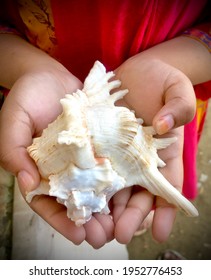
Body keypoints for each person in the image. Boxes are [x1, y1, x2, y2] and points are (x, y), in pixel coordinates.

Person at [0, 0, 210, 249]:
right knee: (156, 165)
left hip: (151, 95)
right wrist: (28, 68)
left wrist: (174, 63)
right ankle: (147, 194)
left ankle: (149, 196)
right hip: (58, 81)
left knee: (163, 149)